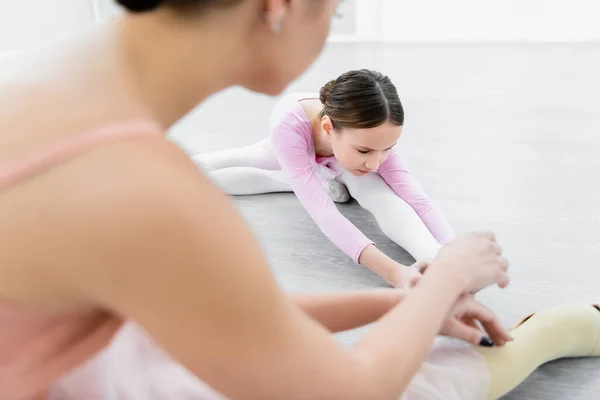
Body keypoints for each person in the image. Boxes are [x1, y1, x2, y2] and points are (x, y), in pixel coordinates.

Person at [0, 1, 597, 399]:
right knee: (430, 381)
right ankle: (561, 329)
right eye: (334, 9)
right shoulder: (143, 187)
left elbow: (231, 312)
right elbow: (348, 393)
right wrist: (446, 278)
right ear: (281, 6)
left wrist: (398, 300)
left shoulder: (38, 91)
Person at [192, 69, 454, 288]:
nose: (376, 163)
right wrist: (394, 271)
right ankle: (299, 181)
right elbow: (324, 214)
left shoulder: (374, 133)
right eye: (364, 151)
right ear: (329, 128)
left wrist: (453, 253)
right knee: (209, 171)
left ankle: (437, 259)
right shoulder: (289, 131)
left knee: (382, 195)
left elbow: (416, 197)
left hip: (337, 158)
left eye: (387, 149)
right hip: (291, 152)